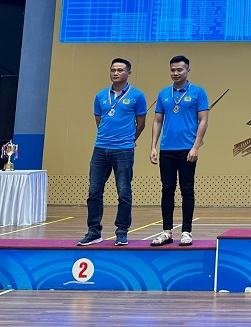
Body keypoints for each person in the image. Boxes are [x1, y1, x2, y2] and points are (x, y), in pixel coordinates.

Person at [77, 58, 147, 246]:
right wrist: (106, 138)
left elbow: (141, 123)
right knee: (94, 191)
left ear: (128, 73)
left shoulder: (137, 96)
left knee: (124, 192)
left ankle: (122, 231)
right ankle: (94, 231)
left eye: (120, 70)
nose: (116, 73)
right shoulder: (100, 96)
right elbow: (99, 120)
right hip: (100, 149)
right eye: (113, 70)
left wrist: (129, 140)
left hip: (123, 150)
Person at [149, 55, 209, 247]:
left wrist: (196, 147)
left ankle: (186, 231)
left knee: (187, 189)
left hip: (187, 149)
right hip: (167, 149)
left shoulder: (198, 92)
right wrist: (153, 146)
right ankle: (167, 231)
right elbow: (157, 121)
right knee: (167, 189)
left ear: (187, 70)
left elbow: (203, 120)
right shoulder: (163, 94)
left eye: (180, 70)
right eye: (173, 70)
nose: (176, 73)